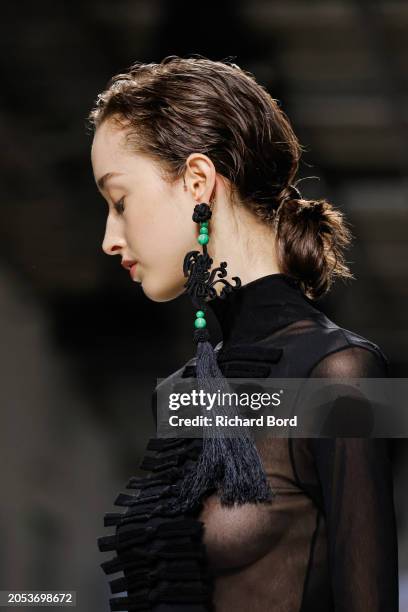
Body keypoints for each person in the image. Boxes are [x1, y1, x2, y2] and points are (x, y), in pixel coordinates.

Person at [88, 56, 399, 611]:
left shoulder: (345, 374)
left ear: (198, 180)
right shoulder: (180, 393)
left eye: (120, 202)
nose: (110, 238)